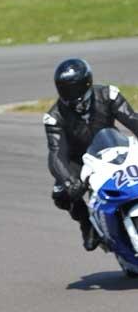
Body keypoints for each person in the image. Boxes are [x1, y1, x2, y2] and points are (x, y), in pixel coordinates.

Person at [45, 58, 138, 250]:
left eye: (75, 88)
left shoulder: (108, 94)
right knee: (60, 193)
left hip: (114, 148)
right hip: (80, 160)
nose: (71, 95)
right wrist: (70, 182)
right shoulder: (54, 117)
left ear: (87, 83)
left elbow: (133, 120)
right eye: (65, 89)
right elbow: (56, 154)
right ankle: (87, 225)